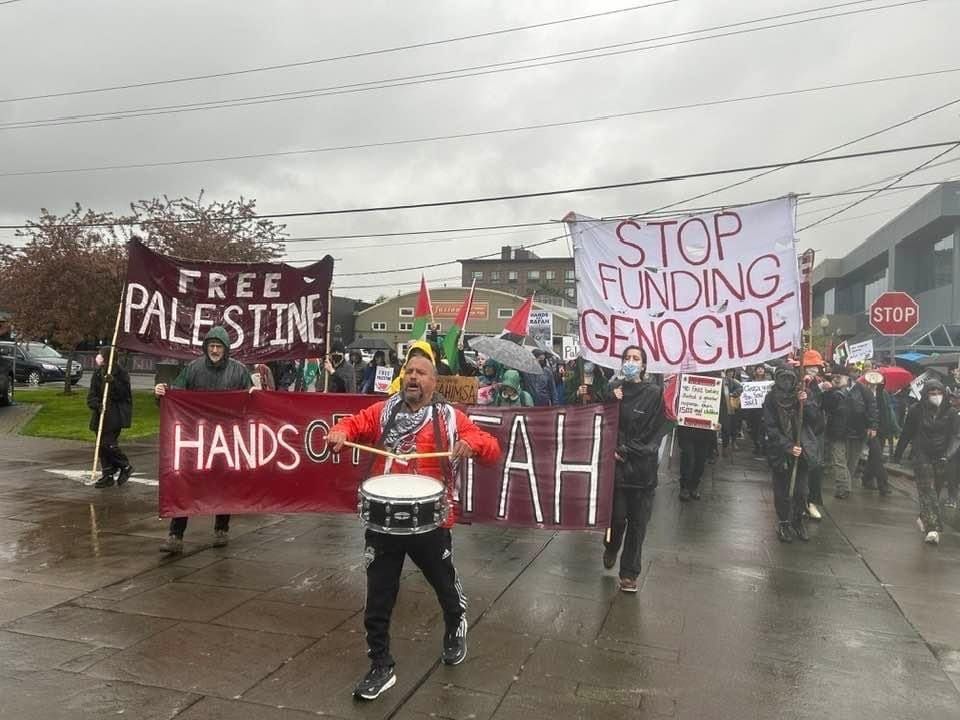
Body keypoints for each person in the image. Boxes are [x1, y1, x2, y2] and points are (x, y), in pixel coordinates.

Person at [326, 354, 500, 701]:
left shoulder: (450, 417)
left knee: (443, 584)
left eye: (421, 373)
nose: (413, 377)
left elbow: (492, 449)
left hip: (430, 520)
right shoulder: (383, 411)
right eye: (408, 372)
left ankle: (455, 622)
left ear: (434, 382)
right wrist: (339, 432)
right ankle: (380, 664)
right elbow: (352, 424)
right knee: (378, 596)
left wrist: (473, 445)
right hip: (384, 519)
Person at [154, 326, 253, 553]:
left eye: (219, 346)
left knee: (223, 484)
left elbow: (253, 400)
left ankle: (221, 529)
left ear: (226, 349)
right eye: (212, 346)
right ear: (206, 347)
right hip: (195, 437)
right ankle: (175, 535)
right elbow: (176, 396)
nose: (215, 350)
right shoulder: (193, 369)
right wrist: (162, 395)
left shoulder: (239, 371)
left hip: (226, 438)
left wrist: (254, 394)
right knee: (185, 483)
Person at [603, 346, 666, 592]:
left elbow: (654, 432)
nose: (630, 362)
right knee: (616, 520)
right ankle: (610, 546)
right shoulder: (613, 390)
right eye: (627, 358)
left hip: (642, 473)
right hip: (617, 472)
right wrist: (609, 400)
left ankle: (629, 573)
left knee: (637, 526)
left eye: (635, 359)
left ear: (643, 366)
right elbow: (602, 422)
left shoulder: (654, 394)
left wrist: (627, 449)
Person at [894, 379, 960, 545]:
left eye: (939, 393)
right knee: (927, 490)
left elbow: (956, 436)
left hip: (942, 456)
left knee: (934, 493)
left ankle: (925, 516)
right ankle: (934, 529)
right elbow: (907, 433)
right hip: (921, 454)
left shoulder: (951, 413)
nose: (936, 396)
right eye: (932, 393)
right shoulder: (916, 410)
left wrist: (947, 455)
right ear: (925, 395)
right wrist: (897, 455)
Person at [763, 366, 823, 542]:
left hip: (802, 450)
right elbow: (770, 426)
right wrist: (787, 445)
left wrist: (807, 403)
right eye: (783, 379)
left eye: (790, 378)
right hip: (781, 452)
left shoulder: (804, 394)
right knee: (782, 490)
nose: (787, 382)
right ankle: (783, 523)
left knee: (801, 491)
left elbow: (817, 421)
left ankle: (797, 520)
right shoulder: (771, 398)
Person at [87, 346, 134, 489]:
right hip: (101, 414)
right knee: (101, 446)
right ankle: (107, 473)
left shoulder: (121, 373)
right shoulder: (97, 373)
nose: (98, 357)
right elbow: (92, 394)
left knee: (108, 443)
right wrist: (96, 404)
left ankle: (124, 465)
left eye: (100, 355)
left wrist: (113, 382)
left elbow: (124, 394)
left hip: (115, 414)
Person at [861, 371, 898, 496]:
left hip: (882, 430)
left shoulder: (884, 394)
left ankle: (866, 478)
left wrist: (894, 428)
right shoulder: (864, 393)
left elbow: (888, 412)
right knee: (877, 456)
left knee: (874, 456)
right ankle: (883, 485)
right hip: (870, 430)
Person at [800, 350, 827, 519]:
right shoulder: (799, 383)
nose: (814, 370)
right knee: (805, 467)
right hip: (801, 431)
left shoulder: (819, 384)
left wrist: (829, 391)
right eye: (810, 366)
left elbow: (823, 408)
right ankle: (801, 501)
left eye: (816, 367)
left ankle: (811, 502)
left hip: (816, 432)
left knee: (815, 467)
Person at [844, 363, 879, 486]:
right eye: (852, 371)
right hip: (841, 429)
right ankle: (844, 482)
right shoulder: (838, 387)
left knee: (853, 458)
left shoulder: (864, 390)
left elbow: (872, 409)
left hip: (858, 430)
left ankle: (846, 483)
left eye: (857, 371)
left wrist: (872, 426)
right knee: (841, 458)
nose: (855, 373)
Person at [743, 364, 769, 458]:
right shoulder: (750, 381)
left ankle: (763, 447)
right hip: (753, 410)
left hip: (764, 410)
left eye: (762, 368)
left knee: (762, 429)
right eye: (759, 368)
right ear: (755, 371)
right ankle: (756, 445)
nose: (760, 370)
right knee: (753, 429)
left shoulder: (768, 383)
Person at [720, 368, 743, 457]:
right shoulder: (720, 382)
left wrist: (733, 394)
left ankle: (731, 443)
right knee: (725, 429)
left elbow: (740, 388)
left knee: (732, 427)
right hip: (722, 410)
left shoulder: (733, 381)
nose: (730, 373)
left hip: (732, 409)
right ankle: (724, 447)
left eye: (732, 372)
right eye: (729, 372)